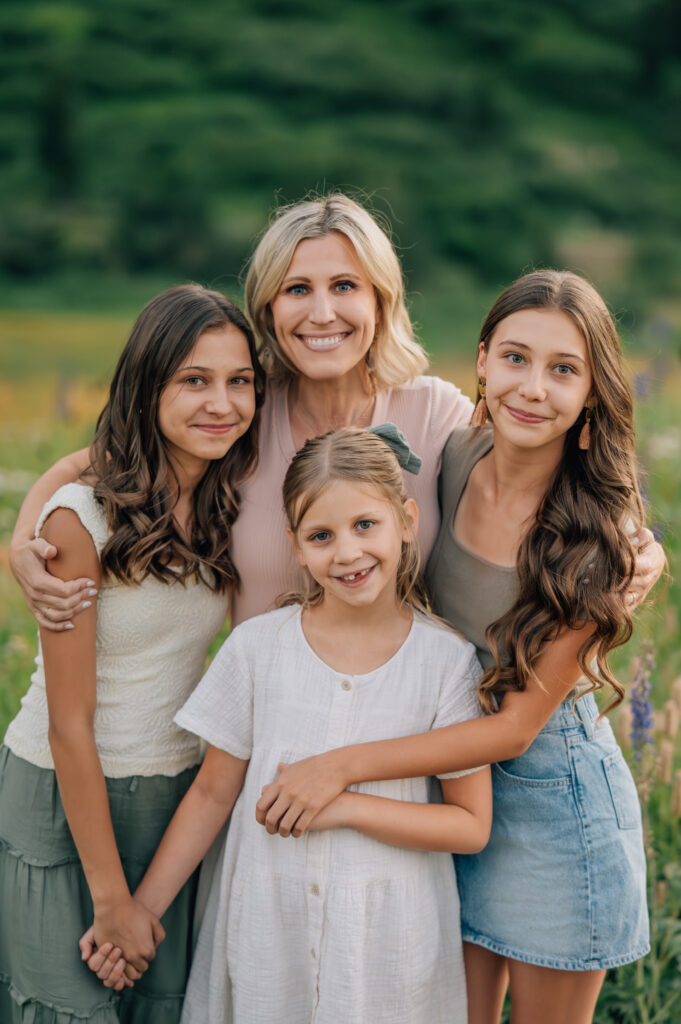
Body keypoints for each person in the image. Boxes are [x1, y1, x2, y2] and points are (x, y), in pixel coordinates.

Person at [253, 271, 652, 1024]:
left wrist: (340, 769)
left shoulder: (594, 541)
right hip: (444, 790)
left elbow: (511, 728)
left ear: (593, 391)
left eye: (563, 370)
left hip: (549, 803)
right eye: (514, 358)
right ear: (479, 360)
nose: (532, 388)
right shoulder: (455, 457)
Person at [83, 427, 492, 1023]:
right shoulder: (259, 649)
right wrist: (142, 912)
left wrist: (345, 806)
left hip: (385, 946)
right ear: (295, 547)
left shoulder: (445, 662)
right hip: (267, 932)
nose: (347, 553)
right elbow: (212, 792)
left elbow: (469, 824)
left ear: (407, 520)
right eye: (321, 536)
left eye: (365, 526)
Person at [8, 193, 475, 629]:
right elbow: (103, 459)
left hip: (407, 708)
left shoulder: (438, 412)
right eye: (296, 289)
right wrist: (22, 541)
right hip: (263, 706)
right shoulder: (241, 410)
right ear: (268, 307)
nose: (322, 312)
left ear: (380, 298)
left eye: (344, 285)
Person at [0, 284, 265, 1023]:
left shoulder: (225, 494)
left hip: (173, 795)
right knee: (67, 1009)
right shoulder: (82, 521)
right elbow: (68, 723)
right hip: (64, 793)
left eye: (238, 381)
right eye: (193, 380)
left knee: (158, 1006)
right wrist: (112, 898)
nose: (221, 402)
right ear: (147, 386)